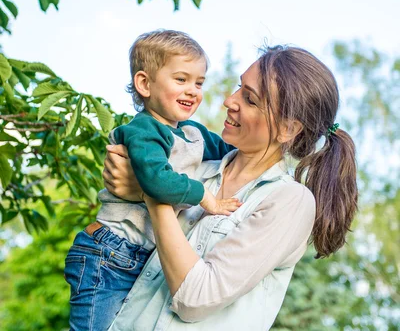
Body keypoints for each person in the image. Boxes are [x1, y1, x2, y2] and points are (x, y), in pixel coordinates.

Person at [102, 45, 358, 331]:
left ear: (287, 129)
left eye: (249, 99)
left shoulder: (289, 200)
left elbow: (195, 298)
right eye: (239, 88)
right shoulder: (197, 167)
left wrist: (152, 192)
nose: (228, 101)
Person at [64, 30, 240, 331]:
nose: (193, 91)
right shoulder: (143, 130)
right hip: (109, 254)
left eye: (199, 83)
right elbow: (157, 181)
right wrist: (205, 197)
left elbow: (235, 153)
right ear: (144, 84)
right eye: (181, 79)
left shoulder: (194, 133)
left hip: (142, 257)